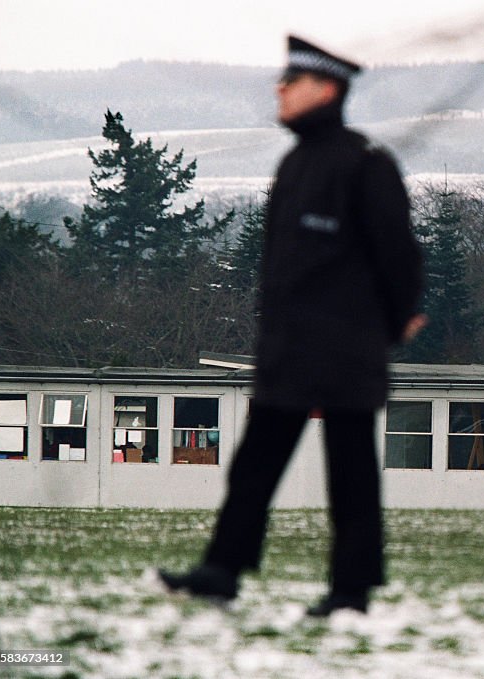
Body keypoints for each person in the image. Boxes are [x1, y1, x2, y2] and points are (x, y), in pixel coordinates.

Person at [158, 34, 425, 617]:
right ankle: (222, 570)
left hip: (347, 350)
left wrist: (399, 317)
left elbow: (399, 253)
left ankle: (350, 592)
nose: (278, 89)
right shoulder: (296, 163)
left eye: (292, 81)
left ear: (325, 89)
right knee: (254, 466)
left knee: (350, 473)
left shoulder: (365, 164)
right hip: (289, 350)